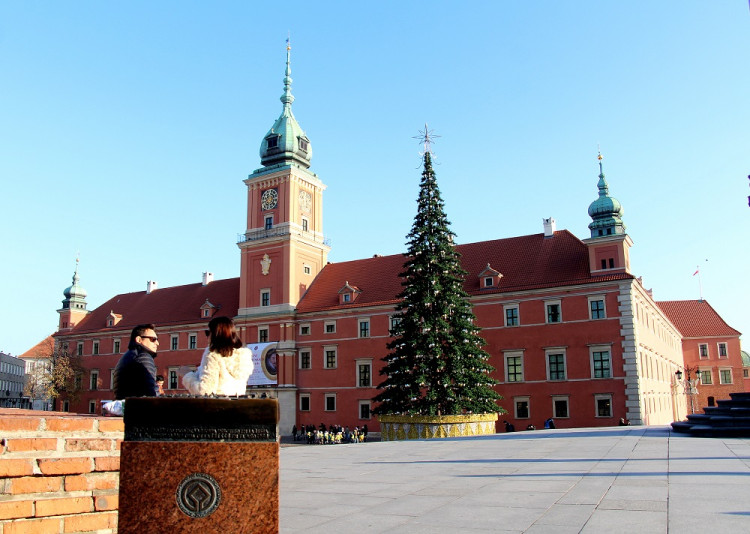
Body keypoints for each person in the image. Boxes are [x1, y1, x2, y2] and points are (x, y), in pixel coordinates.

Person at [181, 316, 253, 395]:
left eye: (208, 333)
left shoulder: (212, 355)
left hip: (217, 405)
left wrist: (187, 375)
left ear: (215, 335)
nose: (207, 337)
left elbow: (204, 391)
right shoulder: (243, 356)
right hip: (237, 404)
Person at [112, 324, 160, 399]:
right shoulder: (143, 356)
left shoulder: (130, 355)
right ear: (139, 340)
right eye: (153, 339)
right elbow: (152, 391)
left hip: (128, 405)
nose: (157, 343)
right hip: (138, 407)